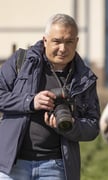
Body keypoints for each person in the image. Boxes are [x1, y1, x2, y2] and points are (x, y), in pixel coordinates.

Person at [0, 13, 100, 180]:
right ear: (45, 40)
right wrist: (30, 102)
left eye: (69, 42)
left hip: (56, 167)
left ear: (76, 42)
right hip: (12, 164)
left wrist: (71, 126)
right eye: (57, 41)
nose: (63, 48)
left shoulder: (84, 79)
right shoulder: (22, 62)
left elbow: (93, 126)